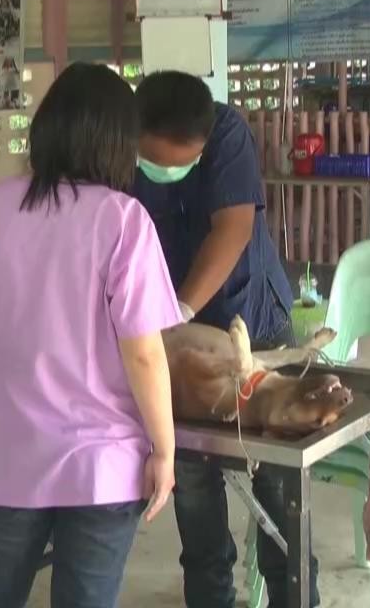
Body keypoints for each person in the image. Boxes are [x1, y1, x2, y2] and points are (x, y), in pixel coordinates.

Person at [0, 63, 180, 608]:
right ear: (118, 141)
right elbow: (143, 354)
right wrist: (164, 450)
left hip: (8, 456)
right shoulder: (122, 220)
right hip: (102, 464)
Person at [131, 71, 313, 608]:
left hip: (249, 324)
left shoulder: (228, 132)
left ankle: (296, 598)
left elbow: (232, 229)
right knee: (193, 488)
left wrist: (180, 310)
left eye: (179, 161)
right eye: (155, 161)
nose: (164, 172)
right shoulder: (123, 146)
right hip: (178, 353)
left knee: (280, 497)